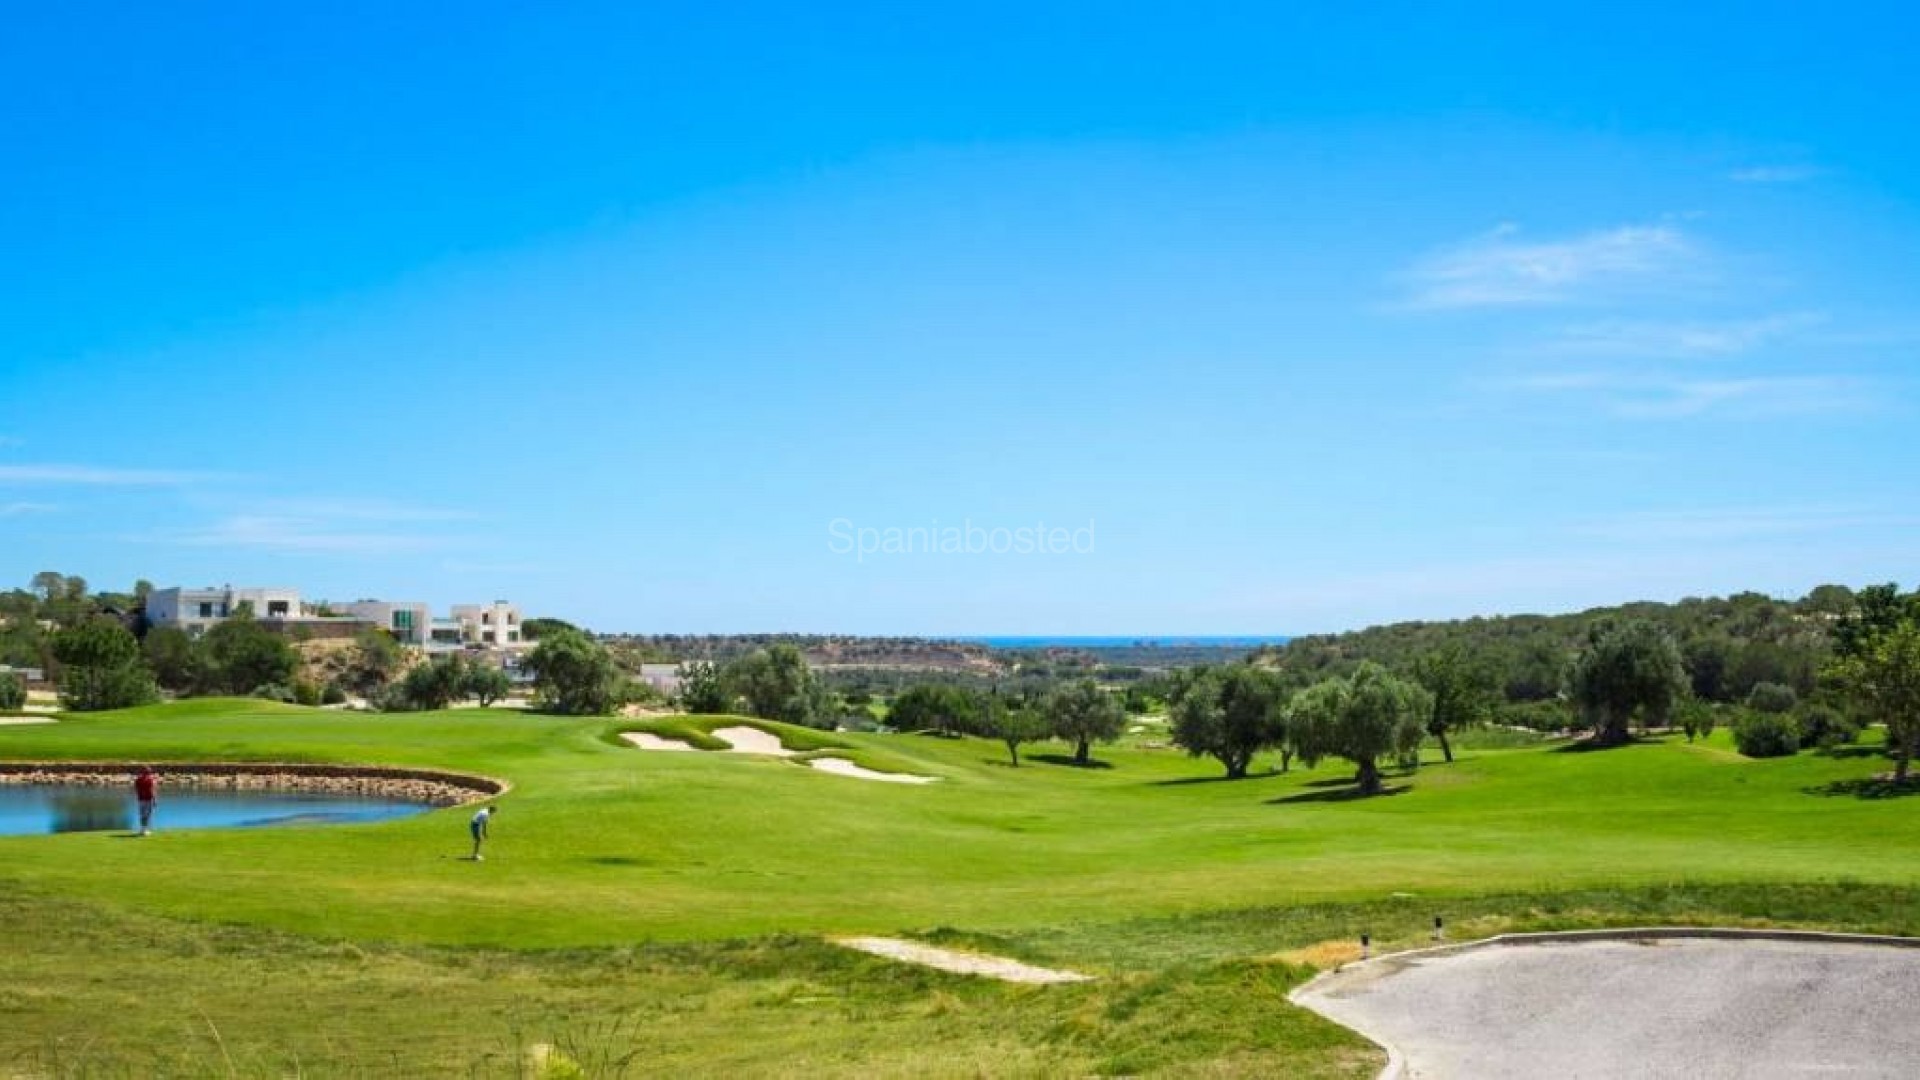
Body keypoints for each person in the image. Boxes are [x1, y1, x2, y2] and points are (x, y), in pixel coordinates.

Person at [133, 766, 158, 836]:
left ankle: (142, 829)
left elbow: (136, 789)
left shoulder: (138, 779)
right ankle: (144, 830)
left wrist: (139, 794)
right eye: (150, 772)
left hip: (140, 800)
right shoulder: (150, 780)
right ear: (148, 773)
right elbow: (152, 790)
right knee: (147, 815)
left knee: (142, 815)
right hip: (148, 799)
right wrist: (155, 799)